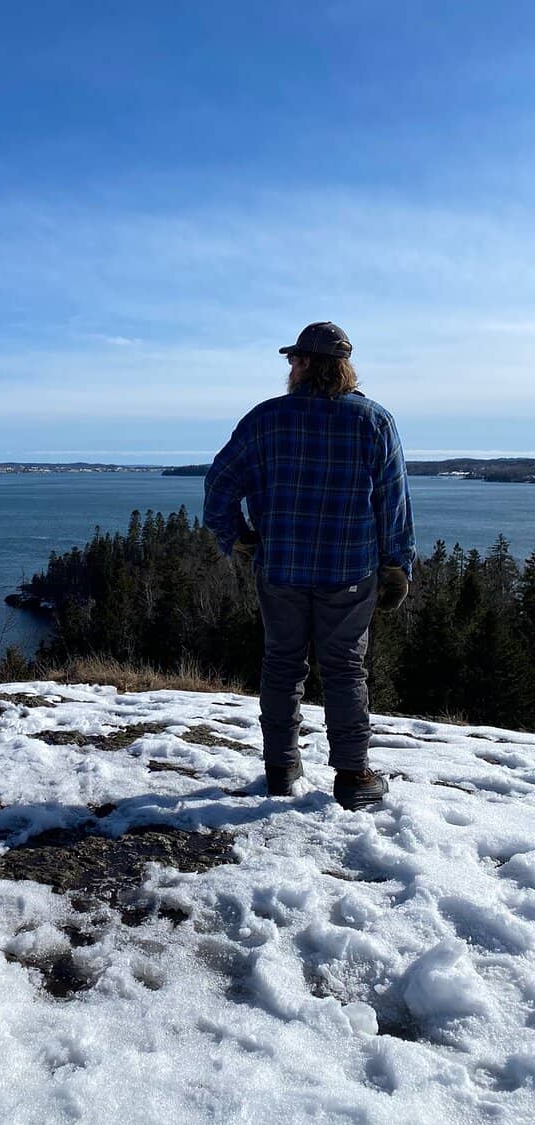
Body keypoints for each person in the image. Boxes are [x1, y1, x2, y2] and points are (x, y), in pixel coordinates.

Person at [203, 323, 415, 810]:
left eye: (292, 360)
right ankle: (353, 777)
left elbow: (219, 485)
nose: (289, 369)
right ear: (344, 368)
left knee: (282, 663)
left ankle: (280, 767)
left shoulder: (266, 419)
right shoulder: (373, 420)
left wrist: (235, 537)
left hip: (280, 566)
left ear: (303, 364)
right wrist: (396, 565)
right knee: (344, 669)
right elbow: (393, 502)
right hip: (349, 571)